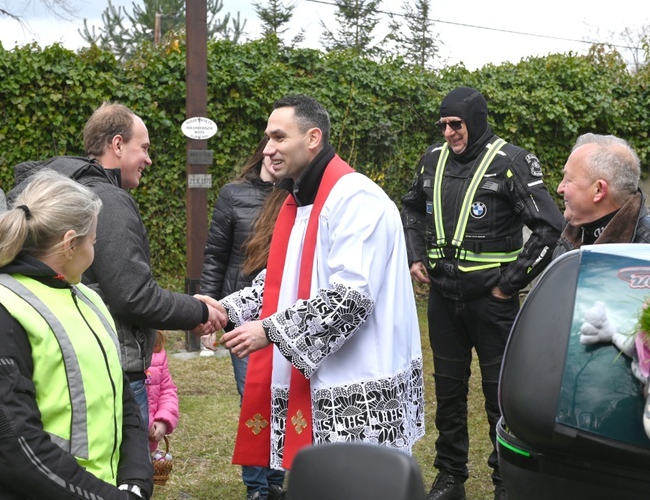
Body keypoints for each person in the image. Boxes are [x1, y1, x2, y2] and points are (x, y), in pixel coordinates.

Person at [216, 95, 425, 476]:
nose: (268, 150)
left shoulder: (355, 198)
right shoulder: (300, 200)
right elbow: (283, 284)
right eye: (267, 139)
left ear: (313, 138)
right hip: (321, 378)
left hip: (359, 382)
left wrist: (269, 329)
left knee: (362, 484)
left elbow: (350, 297)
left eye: (279, 137)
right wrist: (222, 310)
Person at [0, 170, 153, 500]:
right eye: (93, 241)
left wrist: (135, 479)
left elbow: (122, 399)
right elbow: (16, 449)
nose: (95, 249)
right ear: (70, 243)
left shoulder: (85, 297)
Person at [7, 102, 226, 429]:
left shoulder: (62, 195)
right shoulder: (106, 200)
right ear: (118, 144)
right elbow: (133, 295)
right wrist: (198, 311)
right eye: (144, 148)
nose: (149, 160)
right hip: (115, 368)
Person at [400, 86, 563, 500]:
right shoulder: (432, 160)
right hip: (443, 298)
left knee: (500, 396)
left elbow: (549, 227)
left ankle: (505, 482)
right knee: (449, 392)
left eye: (457, 124)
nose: (450, 133)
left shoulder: (511, 161)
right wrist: (415, 255)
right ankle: (451, 476)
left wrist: (508, 285)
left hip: (492, 303)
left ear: (475, 121)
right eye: (444, 125)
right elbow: (411, 208)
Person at [198, 137, 286, 500]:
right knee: (253, 398)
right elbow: (215, 255)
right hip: (243, 311)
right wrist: (208, 312)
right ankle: (256, 487)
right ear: (261, 149)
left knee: (282, 396)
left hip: (285, 315)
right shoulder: (233, 195)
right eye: (271, 145)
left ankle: (277, 482)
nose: (275, 154)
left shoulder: (301, 195)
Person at [553, 133, 649, 257]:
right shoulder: (569, 233)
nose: (559, 188)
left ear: (598, 190)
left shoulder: (645, 251)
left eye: (568, 179)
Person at [145, 331, 179, 455]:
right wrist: (146, 422)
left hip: (149, 441)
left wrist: (163, 420)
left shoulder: (157, 350)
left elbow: (167, 390)